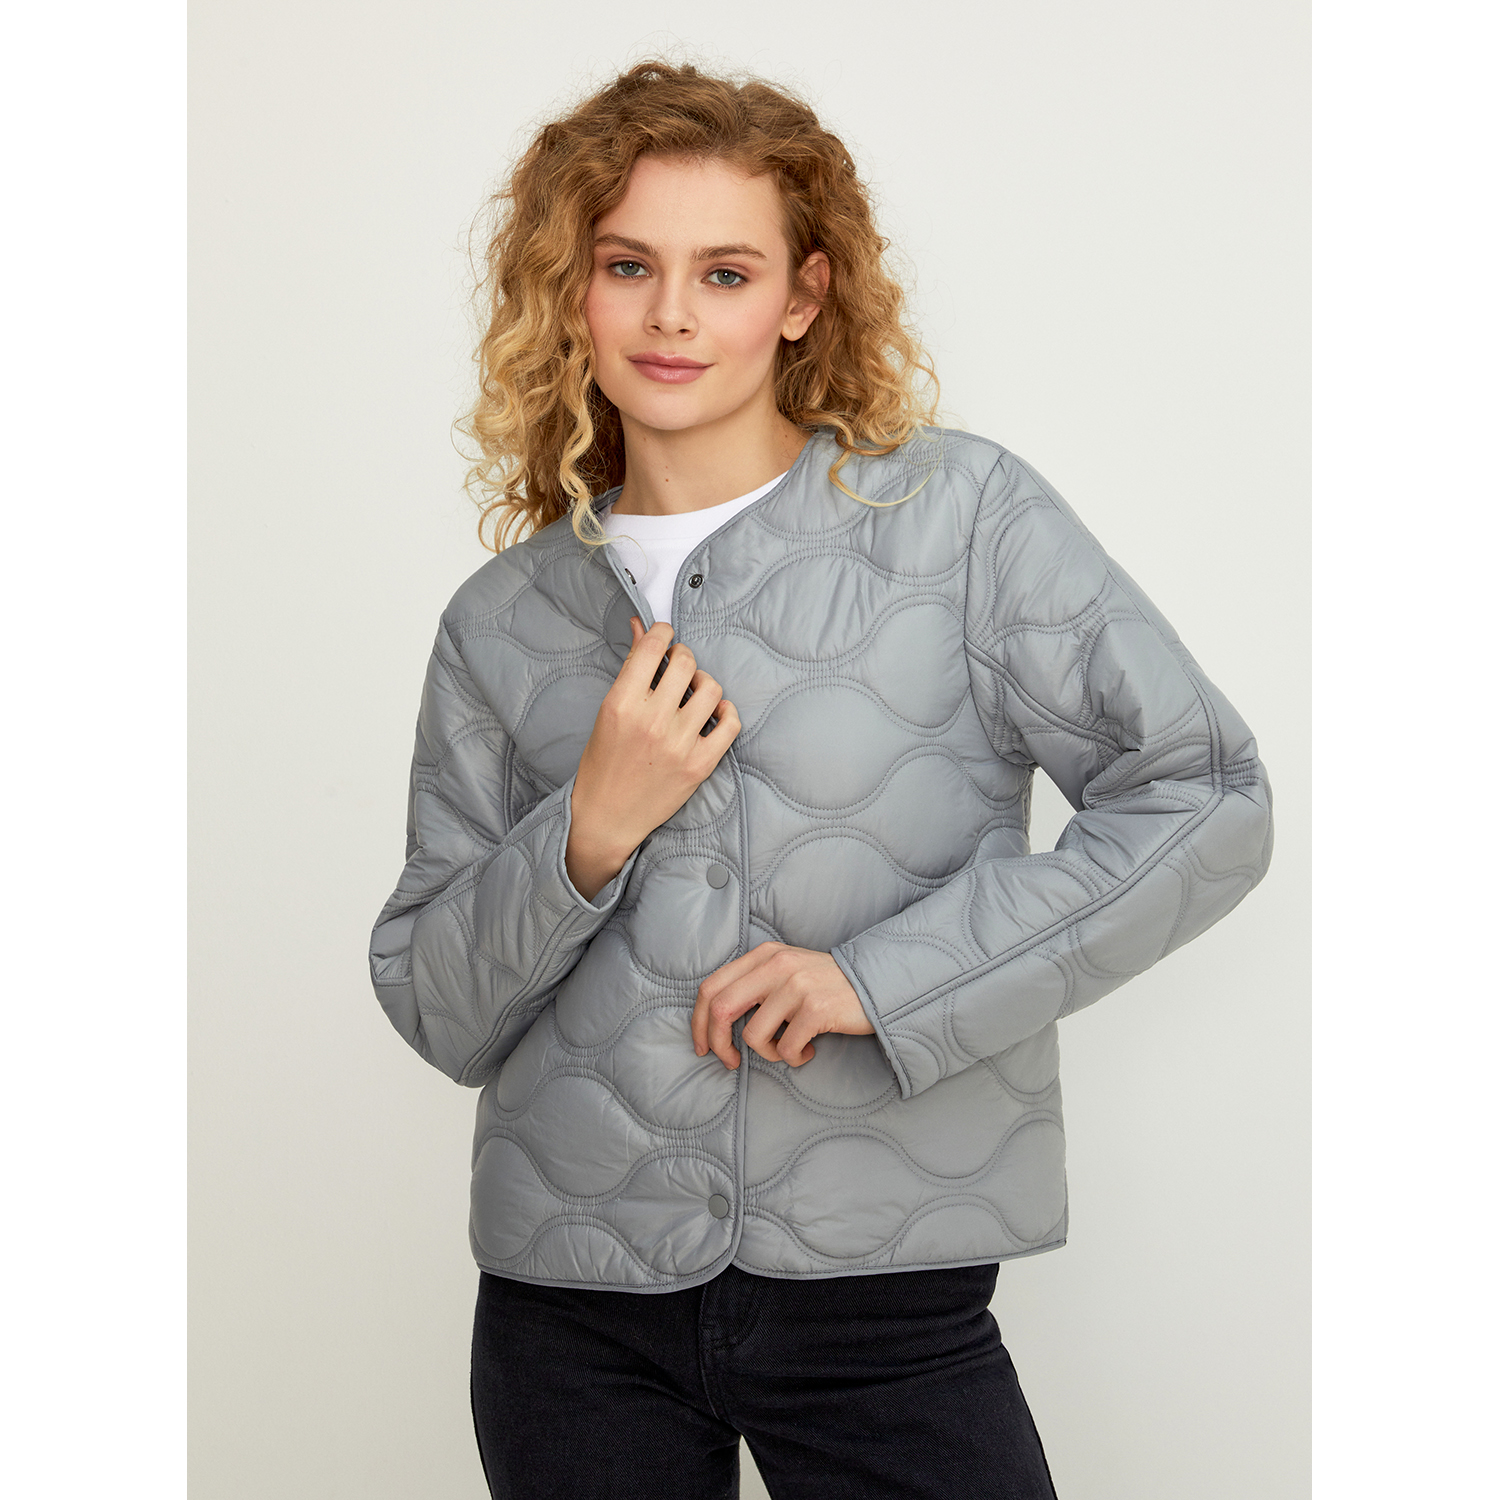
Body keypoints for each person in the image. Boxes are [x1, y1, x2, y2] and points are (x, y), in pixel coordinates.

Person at [368, 60, 1274, 1500]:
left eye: (724, 273)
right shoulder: (502, 620)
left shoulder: (962, 523)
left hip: (885, 1299)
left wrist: (880, 982)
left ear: (803, 296)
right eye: (627, 266)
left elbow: (1206, 801)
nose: (670, 316)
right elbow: (437, 1007)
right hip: (568, 1315)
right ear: (570, 292)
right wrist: (588, 829)